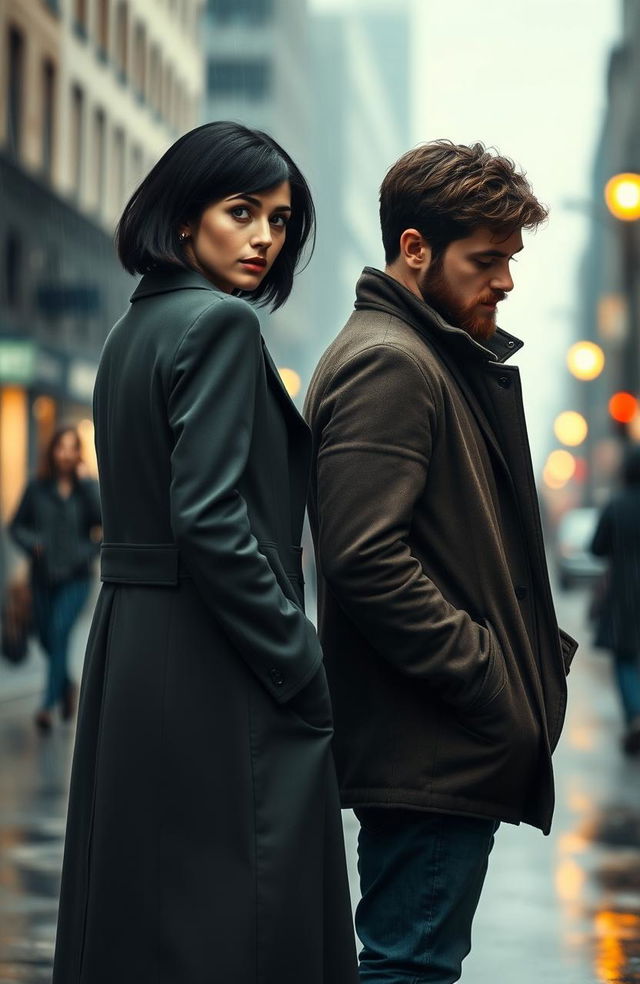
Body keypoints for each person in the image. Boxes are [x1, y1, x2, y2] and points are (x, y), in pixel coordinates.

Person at [52, 122, 358, 984]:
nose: (267, 236)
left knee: (145, 905)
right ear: (185, 219)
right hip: (214, 649)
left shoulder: (133, 329)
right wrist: (299, 659)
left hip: (135, 648)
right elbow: (213, 520)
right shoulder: (219, 325)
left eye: (283, 219)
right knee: (238, 913)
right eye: (242, 211)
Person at [304, 140, 578, 984]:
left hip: (436, 743)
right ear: (414, 249)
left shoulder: (426, 352)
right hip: (429, 747)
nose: (504, 282)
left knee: (412, 960)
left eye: (510, 261)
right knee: (409, 967)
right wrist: (484, 676)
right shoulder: (393, 359)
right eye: (487, 260)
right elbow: (364, 557)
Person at [9, 427, 101, 731]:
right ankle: (66, 686)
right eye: (60, 447)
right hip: (43, 577)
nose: (65, 453)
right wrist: (32, 542)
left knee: (59, 632)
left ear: (78, 454)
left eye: (72, 448)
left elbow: (104, 525)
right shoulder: (37, 488)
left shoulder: (85, 490)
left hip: (76, 577)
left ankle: (47, 705)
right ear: (52, 451)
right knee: (47, 636)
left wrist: (85, 551)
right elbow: (15, 526)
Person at [591, 446, 640, 755]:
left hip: (625, 595)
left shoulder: (617, 505)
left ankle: (636, 717)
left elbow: (596, 547)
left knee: (624, 659)